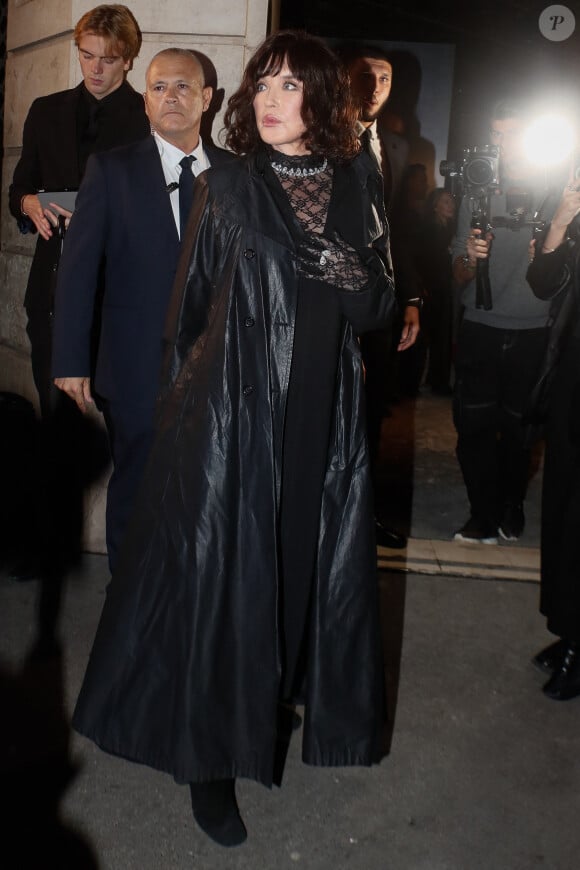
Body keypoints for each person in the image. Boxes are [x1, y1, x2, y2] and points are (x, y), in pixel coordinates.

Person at [71, 30, 395, 848]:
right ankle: (210, 766)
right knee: (224, 591)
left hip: (319, 422)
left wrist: (342, 264)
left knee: (293, 580)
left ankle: (269, 707)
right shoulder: (231, 185)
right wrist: (187, 422)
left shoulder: (358, 183)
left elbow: (379, 310)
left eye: (290, 86)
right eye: (263, 84)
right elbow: (189, 313)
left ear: (323, 100)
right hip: (229, 419)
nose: (271, 99)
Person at [52, 48, 233, 571]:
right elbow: (79, 272)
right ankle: (126, 614)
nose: (170, 97)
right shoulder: (110, 171)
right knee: (136, 490)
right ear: (145, 102)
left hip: (219, 372)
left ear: (206, 99)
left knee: (206, 493)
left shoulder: (238, 177)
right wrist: (70, 360)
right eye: (158, 88)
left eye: (183, 87)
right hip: (133, 371)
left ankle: (189, 610)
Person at [7, 4, 149, 580]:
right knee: (56, 424)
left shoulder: (146, 116)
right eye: (86, 55)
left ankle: (132, 560)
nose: (94, 68)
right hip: (53, 288)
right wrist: (29, 205)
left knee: (128, 433)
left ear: (128, 59)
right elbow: (20, 186)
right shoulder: (46, 110)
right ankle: (47, 547)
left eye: (108, 59)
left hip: (120, 298)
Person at [451, 99, 556, 544]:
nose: (503, 144)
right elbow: (456, 275)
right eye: (496, 134)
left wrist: (551, 255)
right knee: (473, 427)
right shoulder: (478, 186)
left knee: (518, 430)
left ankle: (511, 505)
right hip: (480, 323)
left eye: (512, 134)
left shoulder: (557, 193)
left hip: (535, 328)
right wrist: (470, 260)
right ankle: (481, 513)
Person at [341, 42, 422, 549]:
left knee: (371, 412)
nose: (374, 87)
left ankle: (361, 520)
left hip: (381, 305)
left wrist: (412, 298)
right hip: (331, 303)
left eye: (385, 79)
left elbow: (400, 231)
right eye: (365, 76)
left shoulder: (397, 148)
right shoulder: (319, 139)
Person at [526, 178, 580, 700]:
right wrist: (561, 221)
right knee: (563, 512)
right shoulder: (574, 210)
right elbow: (542, 282)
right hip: (572, 383)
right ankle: (568, 628)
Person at [415, 188, 457, 394]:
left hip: (443, 288)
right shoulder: (429, 230)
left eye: (451, 202)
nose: (451, 206)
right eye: (446, 202)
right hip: (431, 290)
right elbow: (424, 261)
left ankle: (437, 381)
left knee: (442, 336)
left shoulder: (450, 229)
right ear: (435, 206)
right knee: (426, 337)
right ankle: (413, 383)